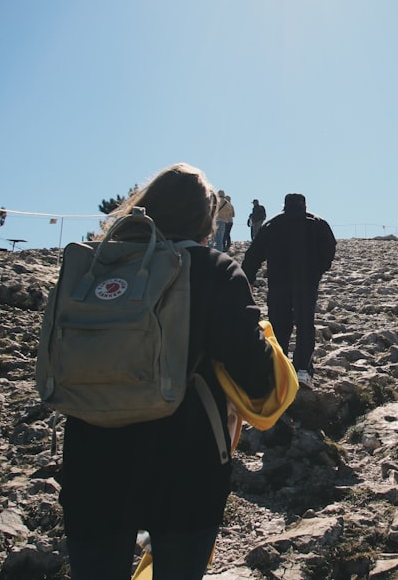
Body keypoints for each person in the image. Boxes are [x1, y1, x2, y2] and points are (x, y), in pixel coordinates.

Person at [60, 163, 277, 580]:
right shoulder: (214, 269)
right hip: (185, 466)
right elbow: (257, 378)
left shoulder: (96, 268)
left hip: (91, 458)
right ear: (204, 220)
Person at [242, 193, 336, 389]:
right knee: (305, 325)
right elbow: (329, 249)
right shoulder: (317, 224)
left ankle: (278, 371)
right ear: (304, 205)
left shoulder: (272, 225)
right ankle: (302, 371)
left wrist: (248, 277)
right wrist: (317, 270)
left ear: (284, 206)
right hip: (306, 283)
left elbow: (253, 254)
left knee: (278, 327)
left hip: (278, 283)